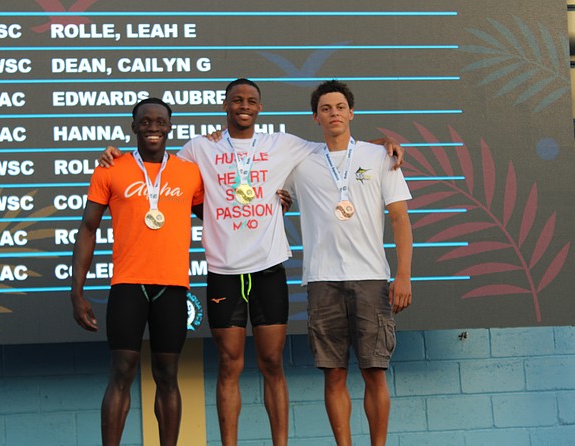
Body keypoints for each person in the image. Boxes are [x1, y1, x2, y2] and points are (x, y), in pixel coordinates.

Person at [99, 79, 404, 446]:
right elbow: (155, 163)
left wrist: (379, 145)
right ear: (225, 105)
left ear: (260, 107)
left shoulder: (283, 144)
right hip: (223, 270)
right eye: (236, 100)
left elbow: (336, 147)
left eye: (251, 101)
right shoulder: (199, 148)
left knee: (272, 364)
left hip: (268, 268)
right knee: (229, 365)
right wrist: (114, 155)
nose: (244, 106)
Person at [283, 80, 413, 446]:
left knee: (375, 372)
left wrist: (402, 276)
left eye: (340, 107)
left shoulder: (380, 158)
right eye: (326, 109)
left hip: (371, 279)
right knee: (334, 374)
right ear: (315, 117)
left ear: (351, 112)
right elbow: (260, 171)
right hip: (322, 281)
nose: (334, 113)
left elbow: (400, 218)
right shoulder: (300, 162)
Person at [69, 98, 204, 446]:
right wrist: (77, 291)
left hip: (172, 288)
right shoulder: (110, 168)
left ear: (170, 127)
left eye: (160, 122)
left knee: (168, 376)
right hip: (128, 285)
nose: (153, 128)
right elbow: (87, 228)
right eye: (145, 122)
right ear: (134, 127)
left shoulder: (190, 172)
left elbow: (218, 215)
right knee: (121, 373)